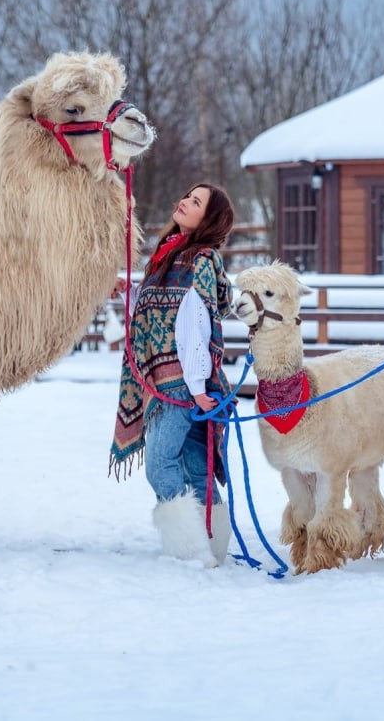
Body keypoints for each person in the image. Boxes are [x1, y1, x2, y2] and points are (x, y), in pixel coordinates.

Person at [110, 182, 236, 567]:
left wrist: (197, 388)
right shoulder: (171, 256)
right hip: (181, 384)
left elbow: (193, 327)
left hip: (179, 386)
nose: (184, 202)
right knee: (196, 464)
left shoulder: (197, 260)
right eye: (186, 196)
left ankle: (190, 547)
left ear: (208, 219)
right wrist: (131, 291)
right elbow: (159, 310)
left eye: (195, 202)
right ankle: (212, 543)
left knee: (161, 464)